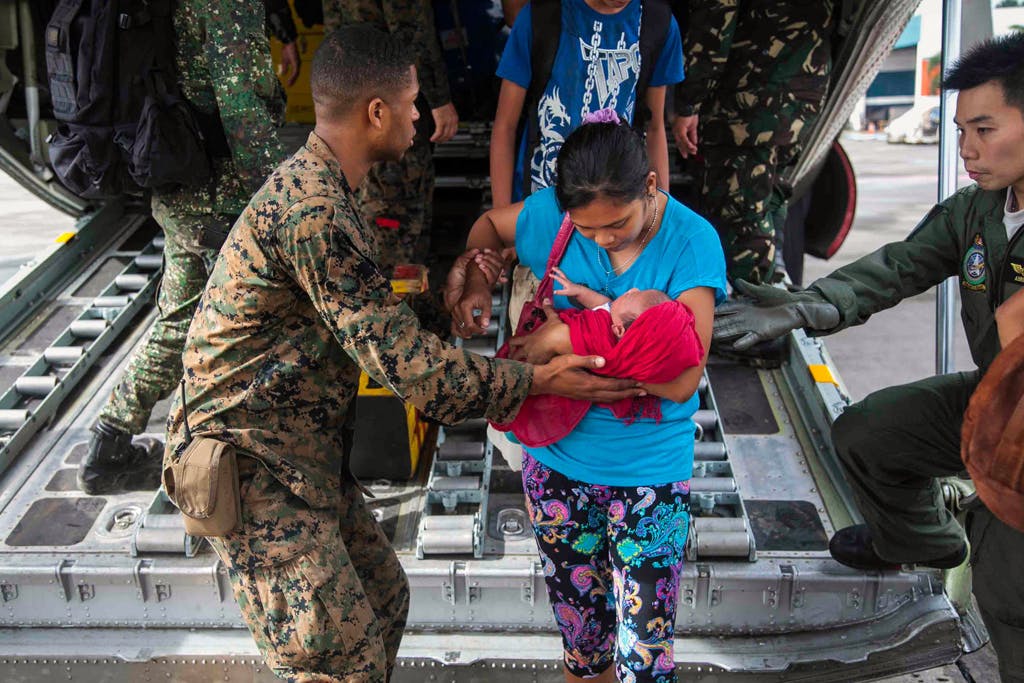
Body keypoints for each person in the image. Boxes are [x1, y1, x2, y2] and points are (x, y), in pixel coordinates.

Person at [163, 26, 641, 682]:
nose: (421, 115)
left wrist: (445, 292)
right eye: (413, 102)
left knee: (385, 599)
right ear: (377, 113)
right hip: (251, 466)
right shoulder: (314, 212)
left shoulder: (330, 187)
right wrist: (534, 380)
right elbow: (415, 373)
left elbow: (366, 308)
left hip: (296, 451)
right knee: (339, 658)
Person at [712, 33, 1024, 681]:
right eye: (963, 129)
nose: (965, 148)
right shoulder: (979, 212)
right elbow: (897, 268)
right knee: (867, 433)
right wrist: (805, 306)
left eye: (985, 128)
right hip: (994, 401)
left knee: (1006, 588)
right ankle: (926, 540)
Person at [452, 117, 727, 683]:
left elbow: (680, 378)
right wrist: (478, 280)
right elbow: (488, 226)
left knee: (645, 664)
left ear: (650, 185)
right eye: (587, 229)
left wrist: (567, 338)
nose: (603, 239)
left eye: (619, 223)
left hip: (648, 476)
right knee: (585, 652)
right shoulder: (551, 218)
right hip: (556, 469)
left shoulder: (691, 241)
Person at [78, 0, 288, 495]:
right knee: (252, 325)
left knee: (181, 318)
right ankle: (219, 466)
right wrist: (282, 197)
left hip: (174, 173)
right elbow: (241, 104)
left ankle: (110, 440)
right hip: (221, 190)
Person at [671, 0, 834, 285]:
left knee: (741, 220)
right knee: (767, 204)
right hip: (802, 93)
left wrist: (689, 102)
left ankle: (758, 308)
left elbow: (716, 17)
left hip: (750, 100)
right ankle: (771, 292)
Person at [489, 0, 683, 208]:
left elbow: (654, 128)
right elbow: (505, 127)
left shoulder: (657, 23)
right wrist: (500, 218)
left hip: (618, 207)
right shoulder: (540, 17)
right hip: (542, 199)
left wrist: (661, 215)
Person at [321, 0, 458, 273]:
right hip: (391, 103)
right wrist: (439, 100)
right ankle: (396, 302)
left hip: (352, 97)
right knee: (400, 215)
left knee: (372, 207)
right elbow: (410, 32)